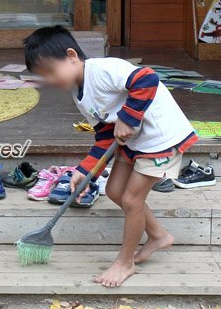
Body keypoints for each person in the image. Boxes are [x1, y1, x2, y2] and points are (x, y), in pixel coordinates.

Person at [24, 26, 197, 288]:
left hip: (161, 138)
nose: (49, 81)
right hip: (135, 141)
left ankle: (125, 262)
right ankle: (158, 236)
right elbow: (105, 135)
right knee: (115, 191)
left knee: (131, 199)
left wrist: (128, 118)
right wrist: (85, 169)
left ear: (71, 56)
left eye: (50, 71)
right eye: (42, 77)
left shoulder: (104, 69)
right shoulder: (78, 94)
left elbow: (147, 79)